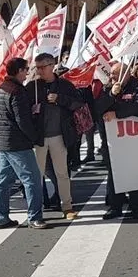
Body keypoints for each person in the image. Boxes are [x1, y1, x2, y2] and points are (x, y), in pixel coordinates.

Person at [0, 58, 48, 230]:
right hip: (18, 143)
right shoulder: (17, 92)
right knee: (32, 179)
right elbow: (22, 120)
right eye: (26, 69)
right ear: (19, 71)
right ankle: (35, 217)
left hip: (2, 141)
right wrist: (35, 137)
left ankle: (0, 217)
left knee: (3, 180)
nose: (28, 73)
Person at [25, 53, 82, 221]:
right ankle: (36, 209)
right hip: (39, 137)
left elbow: (78, 104)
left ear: (52, 65)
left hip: (59, 136)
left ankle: (67, 206)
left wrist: (60, 99)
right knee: (37, 175)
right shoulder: (32, 87)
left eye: (43, 67)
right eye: (37, 67)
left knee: (62, 173)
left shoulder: (65, 85)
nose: (40, 71)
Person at [96, 61, 138, 220]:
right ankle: (115, 206)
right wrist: (112, 94)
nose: (111, 76)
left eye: (114, 73)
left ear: (125, 74)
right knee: (114, 174)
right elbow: (98, 108)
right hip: (112, 141)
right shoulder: (108, 87)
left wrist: (117, 114)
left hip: (132, 139)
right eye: (111, 73)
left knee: (134, 172)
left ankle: (136, 206)